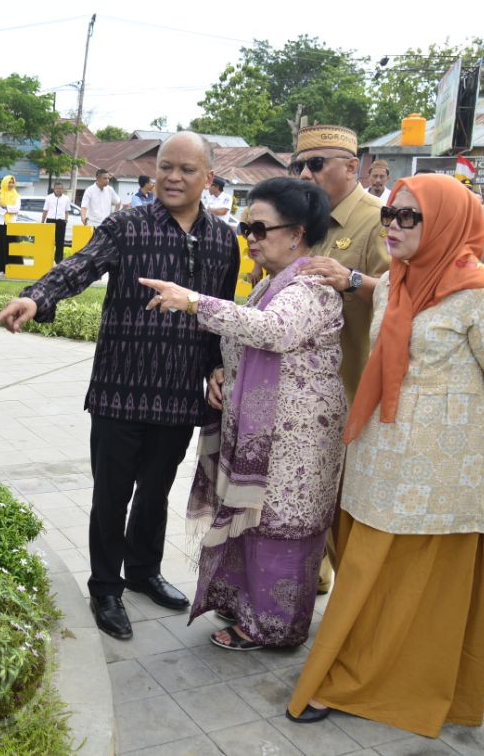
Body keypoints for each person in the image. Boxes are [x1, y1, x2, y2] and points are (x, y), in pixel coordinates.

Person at [287, 173, 484, 736]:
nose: (393, 226)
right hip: (378, 462)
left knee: (415, 587)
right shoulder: (400, 282)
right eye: (389, 215)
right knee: (368, 578)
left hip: (441, 479)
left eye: (409, 217)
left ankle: (398, 684)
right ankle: (359, 673)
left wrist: (480, 461)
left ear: (447, 222)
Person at [0, 133, 240, 641]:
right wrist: (37, 298)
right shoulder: (127, 225)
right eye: (165, 167)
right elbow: (78, 267)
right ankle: (106, 586)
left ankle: (143, 571)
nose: (172, 177)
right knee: (112, 494)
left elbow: (218, 314)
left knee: (156, 492)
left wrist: (217, 368)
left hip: (176, 392)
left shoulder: (222, 240)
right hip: (120, 388)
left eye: (186, 170)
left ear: (208, 180)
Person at [138, 178, 346, 651]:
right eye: (244, 226)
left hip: (297, 439)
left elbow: (273, 331)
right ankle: (248, 605)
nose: (249, 237)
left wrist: (193, 301)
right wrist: (220, 371)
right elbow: (246, 338)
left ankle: (275, 627)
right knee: (254, 520)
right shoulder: (274, 281)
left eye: (259, 227)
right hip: (264, 430)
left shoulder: (311, 285)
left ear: (295, 233)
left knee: (281, 527)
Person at [291, 124, 390, 594]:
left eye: (316, 164)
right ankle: (317, 573)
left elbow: (404, 297)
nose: (305, 174)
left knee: (348, 493)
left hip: (355, 378)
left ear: (353, 167)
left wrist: (352, 278)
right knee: (312, 485)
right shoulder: (305, 218)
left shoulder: (378, 220)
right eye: (300, 165)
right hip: (306, 385)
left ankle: (358, 599)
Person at [42, 181, 73, 263]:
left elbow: (67, 211)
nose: (59, 190)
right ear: (54, 189)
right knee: (48, 241)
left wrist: (66, 220)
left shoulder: (66, 198)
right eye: (57, 188)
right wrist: (42, 221)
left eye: (60, 188)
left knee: (60, 241)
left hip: (61, 222)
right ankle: (47, 259)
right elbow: (45, 210)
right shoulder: (49, 197)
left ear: (62, 189)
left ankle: (58, 260)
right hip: (50, 221)